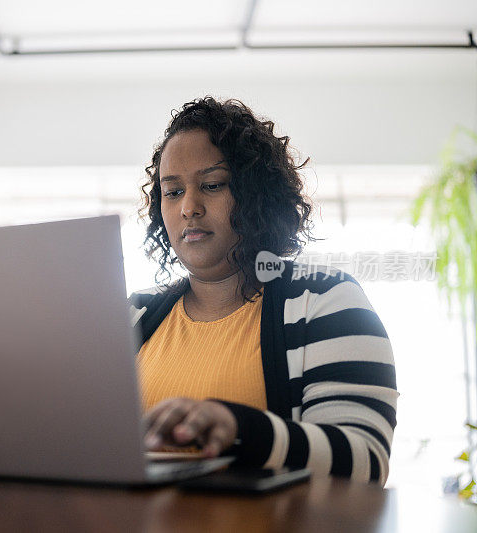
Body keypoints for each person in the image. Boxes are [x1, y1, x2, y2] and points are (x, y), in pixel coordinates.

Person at [130, 96, 398, 486]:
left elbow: (366, 463)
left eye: (212, 185)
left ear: (259, 195)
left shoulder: (326, 300)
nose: (189, 207)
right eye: (172, 192)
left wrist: (240, 428)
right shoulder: (132, 315)